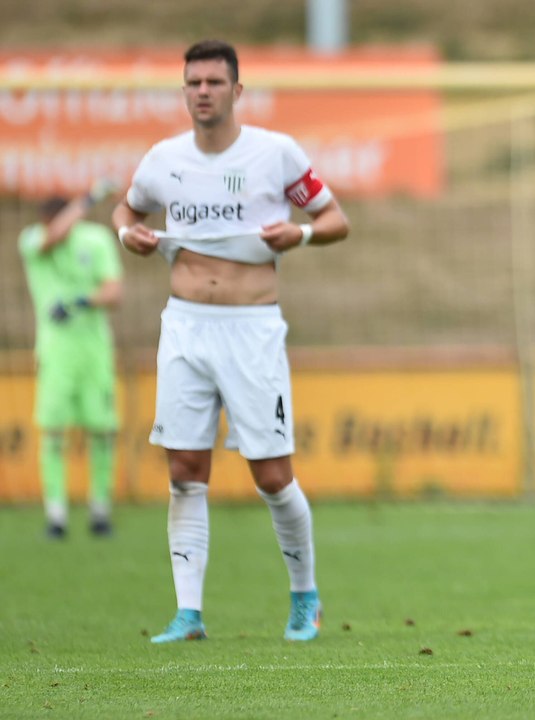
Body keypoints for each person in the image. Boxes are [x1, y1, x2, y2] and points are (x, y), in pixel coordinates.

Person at [112, 39, 350, 644]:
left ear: (237, 91)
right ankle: (188, 613)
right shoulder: (163, 160)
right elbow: (126, 209)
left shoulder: (275, 154)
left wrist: (296, 235)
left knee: (271, 475)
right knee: (185, 470)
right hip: (185, 326)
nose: (203, 92)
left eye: (215, 82)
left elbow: (334, 220)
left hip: (252, 330)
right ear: (184, 90)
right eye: (193, 83)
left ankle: (305, 598)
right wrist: (126, 235)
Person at [19, 182, 123, 540]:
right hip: (55, 352)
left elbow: (113, 291)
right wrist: (91, 198)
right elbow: (54, 236)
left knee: (102, 428)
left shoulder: (95, 240)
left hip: (95, 351)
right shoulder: (32, 240)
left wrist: (80, 302)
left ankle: (99, 510)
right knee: (53, 430)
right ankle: (56, 513)